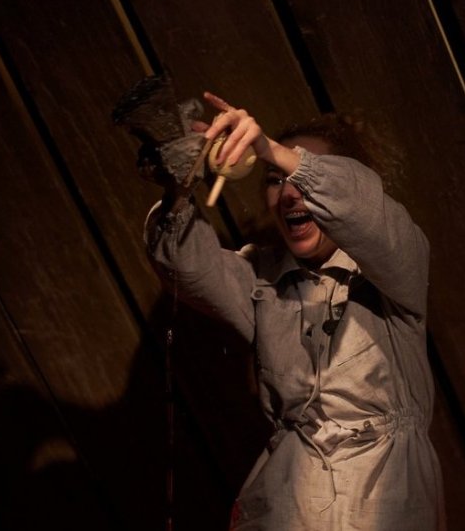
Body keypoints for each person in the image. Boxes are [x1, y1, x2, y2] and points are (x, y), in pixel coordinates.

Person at [144, 92, 444, 530]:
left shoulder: (397, 269)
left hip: (383, 500)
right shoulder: (264, 279)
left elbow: (369, 213)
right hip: (288, 502)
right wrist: (180, 183)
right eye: (274, 179)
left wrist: (272, 150)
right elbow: (184, 264)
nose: (288, 193)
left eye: (302, 174)